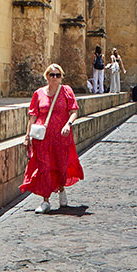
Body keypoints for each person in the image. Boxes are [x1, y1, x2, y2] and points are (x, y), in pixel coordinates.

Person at [21, 64, 83, 213]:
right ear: (46, 76)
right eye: (52, 75)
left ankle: (61, 190)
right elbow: (33, 116)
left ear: (61, 77)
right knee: (44, 167)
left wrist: (68, 124)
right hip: (42, 137)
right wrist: (27, 135)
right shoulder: (39, 93)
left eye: (57, 75)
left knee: (60, 165)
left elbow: (74, 111)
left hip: (61, 136)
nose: (54, 78)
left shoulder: (66, 91)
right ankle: (45, 200)